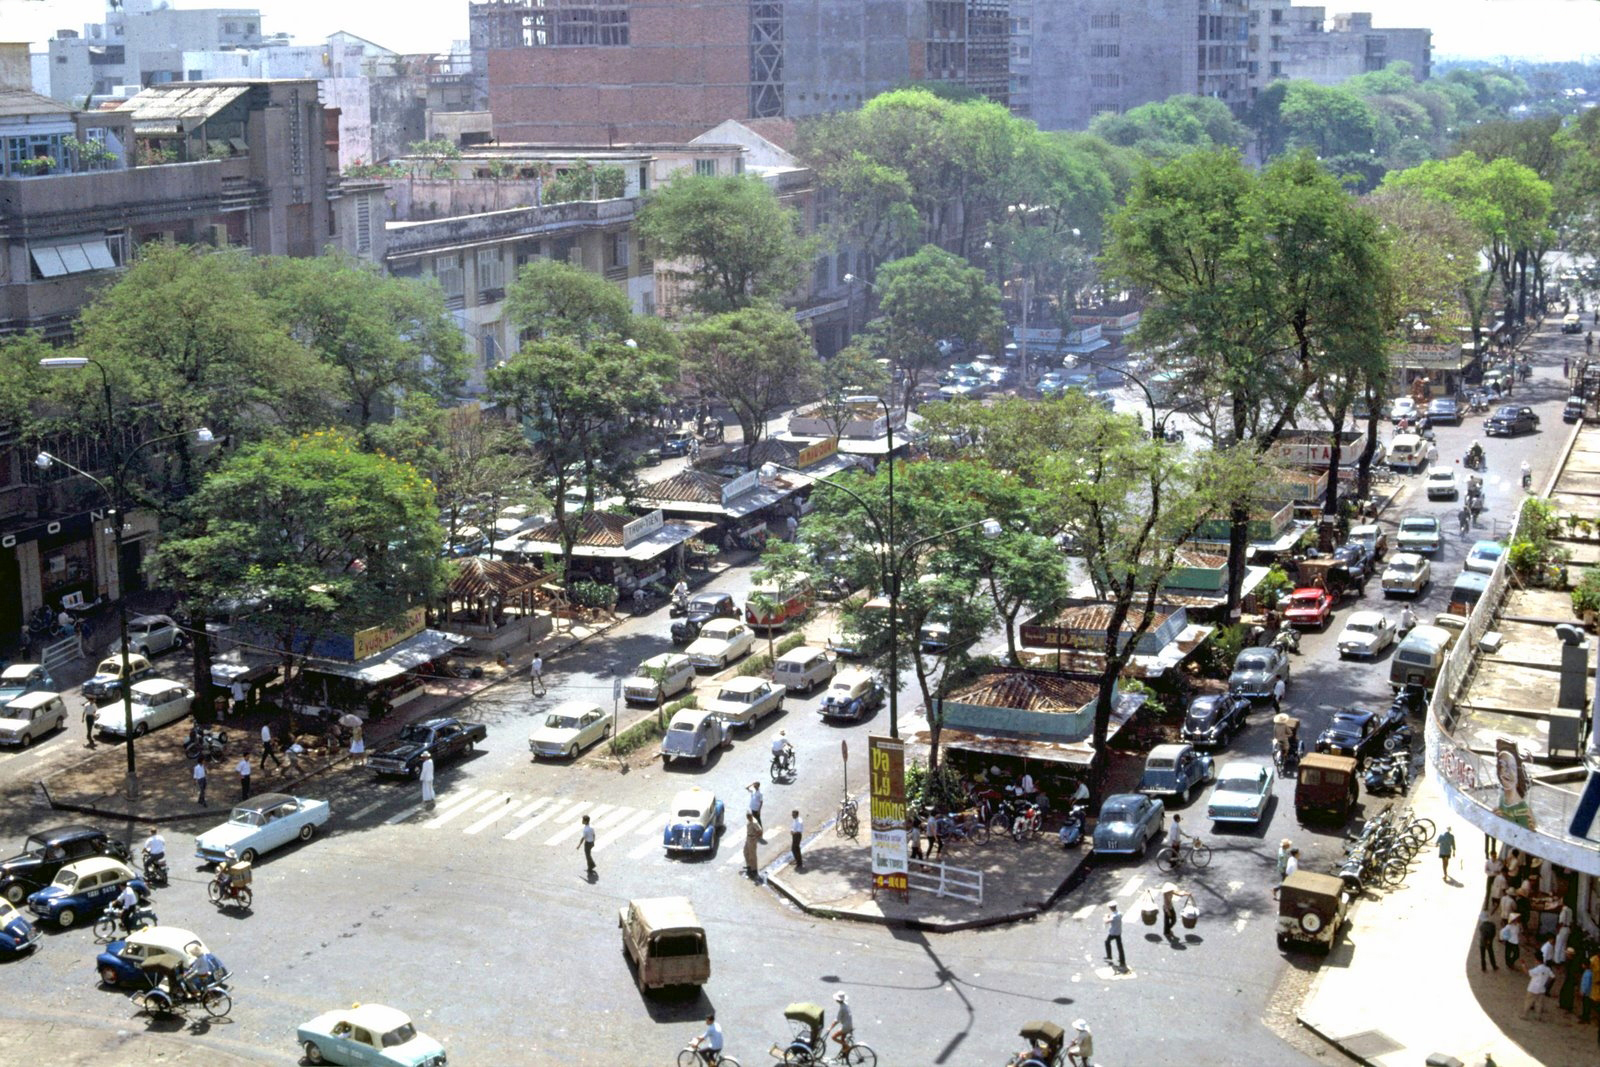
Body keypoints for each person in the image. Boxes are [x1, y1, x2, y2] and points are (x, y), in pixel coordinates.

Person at [829, 991, 855, 1057]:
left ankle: (848, 1047)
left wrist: (830, 1028)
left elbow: (837, 1020)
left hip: (846, 1026)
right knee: (842, 1039)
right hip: (849, 1024)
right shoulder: (846, 1004)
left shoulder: (842, 1008)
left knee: (833, 1037)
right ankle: (845, 1053)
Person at [1103, 902, 1125, 969]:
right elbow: (1114, 917)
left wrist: (1106, 916)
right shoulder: (1120, 913)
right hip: (1119, 932)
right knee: (1120, 947)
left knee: (1107, 942)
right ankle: (1122, 961)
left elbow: (1106, 921)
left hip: (1113, 933)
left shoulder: (1114, 916)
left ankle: (1109, 957)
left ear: (1111, 908)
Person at [1478, 908, 1499, 972]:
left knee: (1483, 955)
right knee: (1491, 954)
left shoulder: (1481, 926)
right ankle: (1494, 966)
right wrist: (1489, 940)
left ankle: (1483, 967)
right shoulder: (1492, 925)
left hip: (1482, 942)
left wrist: (1485, 942)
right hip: (1490, 942)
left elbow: (1483, 936)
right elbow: (1494, 934)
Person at [742, 813, 761, 879]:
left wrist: (755, 837)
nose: (748, 818)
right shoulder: (750, 821)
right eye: (747, 817)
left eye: (749, 817)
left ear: (751, 817)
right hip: (748, 838)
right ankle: (749, 865)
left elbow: (759, 831)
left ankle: (754, 869)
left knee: (752, 855)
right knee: (745, 852)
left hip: (752, 839)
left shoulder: (754, 822)